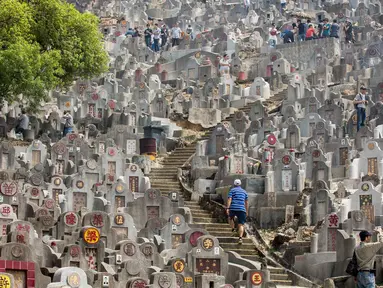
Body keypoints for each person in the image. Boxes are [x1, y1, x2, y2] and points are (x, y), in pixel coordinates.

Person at [226, 179, 248, 244]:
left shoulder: (232, 190)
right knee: (241, 224)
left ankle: (233, 228)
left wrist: (227, 208)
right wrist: (246, 211)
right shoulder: (244, 192)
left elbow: (230, 199)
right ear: (240, 184)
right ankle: (240, 238)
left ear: (234, 184)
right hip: (242, 209)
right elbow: (246, 202)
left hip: (233, 208)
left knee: (230, 218)